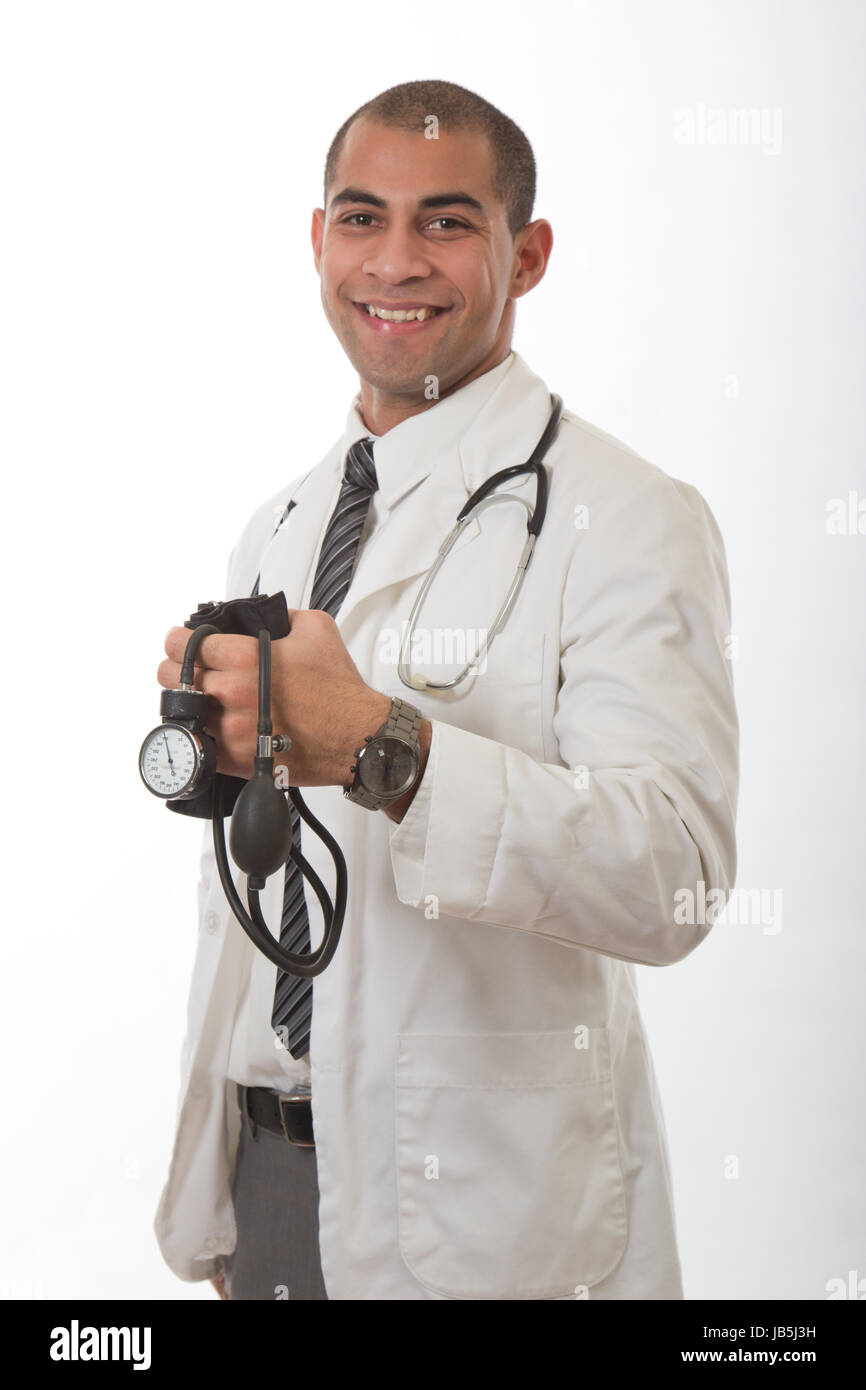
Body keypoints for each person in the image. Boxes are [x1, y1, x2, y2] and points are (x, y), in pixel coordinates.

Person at [153, 79, 738, 1301]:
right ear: (319, 242)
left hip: (483, 1214)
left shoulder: (627, 515)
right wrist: (220, 1184)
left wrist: (385, 747)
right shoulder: (281, 524)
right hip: (272, 1182)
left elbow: (673, 873)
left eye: (447, 222)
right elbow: (254, 903)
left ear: (524, 256)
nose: (394, 261)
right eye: (361, 219)